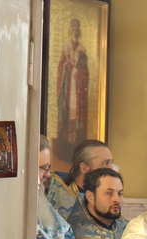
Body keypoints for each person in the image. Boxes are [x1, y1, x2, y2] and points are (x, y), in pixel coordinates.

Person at [47, 139, 114, 220]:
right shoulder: (57, 195)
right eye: (106, 163)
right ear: (84, 168)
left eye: (111, 162)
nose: (111, 169)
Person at [57, 18, 89, 161]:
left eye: (77, 30)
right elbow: (61, 65)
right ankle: (65, 145)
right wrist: (66, 66)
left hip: (77, 86)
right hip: (67, 85)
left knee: (75, 115)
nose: (75, 32)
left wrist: (79, 71)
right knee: (67, 112)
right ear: (70, 31)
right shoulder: (66, 46)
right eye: (73, 30)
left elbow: (85, 70)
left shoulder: (82, 49)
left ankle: (75, 144)